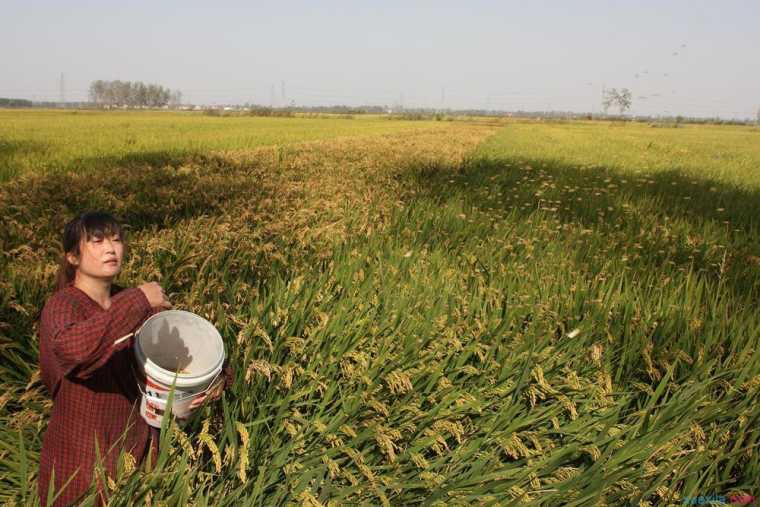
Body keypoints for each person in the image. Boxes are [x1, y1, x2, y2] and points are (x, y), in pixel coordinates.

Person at [37, 211, 231, 506]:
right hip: (81, 455)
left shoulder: (132, 302)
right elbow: (74, 352)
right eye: (97, 240)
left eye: (117, 239)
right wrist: (138, 300)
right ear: (73, 257)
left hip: (137, 451)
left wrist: (211, 384)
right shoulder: (64, 305)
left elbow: (184, 346)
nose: (111, 248)